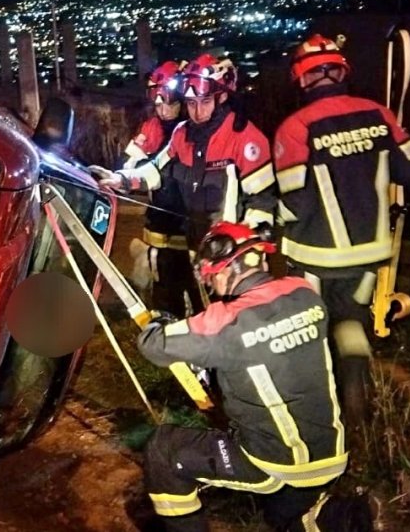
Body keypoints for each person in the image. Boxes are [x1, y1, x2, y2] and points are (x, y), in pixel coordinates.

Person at [135, 221, 372, 532]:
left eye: (211, 276)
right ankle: (335, 517)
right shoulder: (306, 294)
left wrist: (157, 322)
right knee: (279, 517)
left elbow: (153, 346)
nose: (212, 284)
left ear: (224, 270)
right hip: (331, 452)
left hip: (273, 461)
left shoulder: (227, 320)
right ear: (260, 257)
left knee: (163, 449)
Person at [273, 34, 410, 428]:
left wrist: (271, 225)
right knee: (352, 323)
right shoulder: (380, 114)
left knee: (310, 332)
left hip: (312, 256)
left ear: (301, 79)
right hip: (370, 253)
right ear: (342, 71)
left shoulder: (295, 127)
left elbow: (295, 201)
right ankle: (358, 413)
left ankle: (318, 420)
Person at [93, 53, 277, 247]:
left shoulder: (246, 138)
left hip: (232, 255)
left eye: (205, 102)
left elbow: (262, 202)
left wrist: (247, 246)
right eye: (191, 103)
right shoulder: (182, 134)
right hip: (197, 247)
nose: (198, 112)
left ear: (222, 97)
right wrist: (121, 179)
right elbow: (156, 171)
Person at [123, 60, 201, 317]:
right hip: (160, 220)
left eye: (165, 98)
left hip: (192, 219)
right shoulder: (151, 128)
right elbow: (130, 164)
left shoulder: (195, 130)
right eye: (155, 98)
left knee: (197, 282)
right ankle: (169, 330)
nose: (160, 105)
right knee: (164, 282)